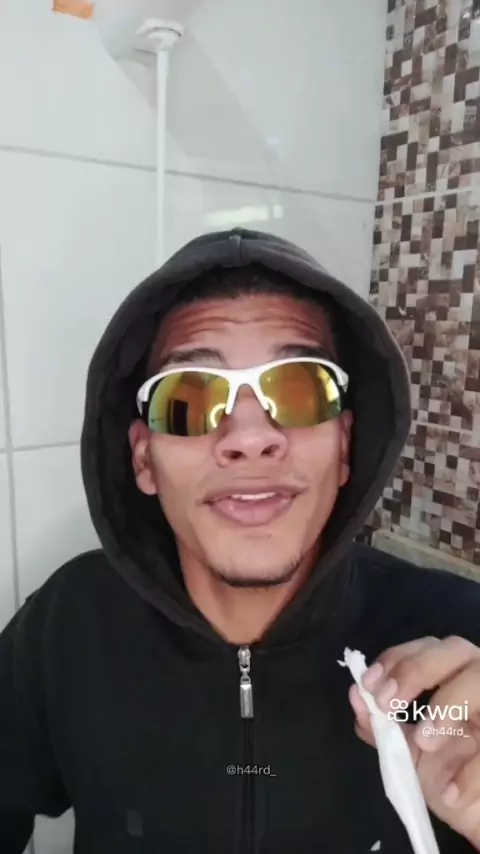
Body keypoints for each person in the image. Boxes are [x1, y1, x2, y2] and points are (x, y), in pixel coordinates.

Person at [0, 228, 479, 854]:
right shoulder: (67, 625)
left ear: (345, 448)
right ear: (144, 460)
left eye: (301, 389)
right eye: (189, 397)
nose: (250, 437)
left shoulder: (460, 641)